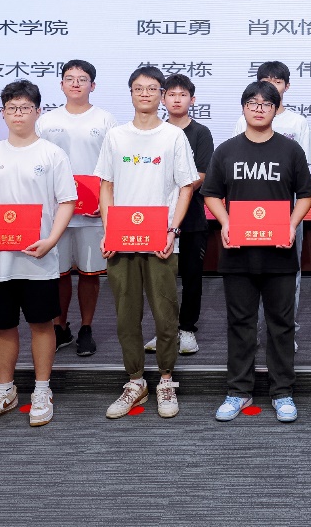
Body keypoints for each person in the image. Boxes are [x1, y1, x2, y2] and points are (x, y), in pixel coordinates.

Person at [0, 80, 77, 428]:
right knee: (2, 326)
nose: (18, 114)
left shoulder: (52, 154)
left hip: (37, 257)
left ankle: (42, 389)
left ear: (38, 112)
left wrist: (51, 240)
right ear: (3, 113)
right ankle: (5, 391)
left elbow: (67, 201)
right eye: (12, 108)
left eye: (25, 108)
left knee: (42, 324)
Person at [205, 81, 311, 423]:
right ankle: (238, 390)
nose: (259, 108)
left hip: (279, 252)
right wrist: (225, 222)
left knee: (281, 324)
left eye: (267, 103)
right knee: (241, 323)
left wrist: (291, 225)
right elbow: (211, 193)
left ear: (276, 109)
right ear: (243, 108)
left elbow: (306, 194)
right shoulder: (226, 150)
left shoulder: (290, 150)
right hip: (238, 252)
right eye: (252, 102)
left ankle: (282, 392)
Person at [95, 65, 198, 419]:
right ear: (131, 93)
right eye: (138, 88)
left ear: (161, 95)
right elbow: (106, 186)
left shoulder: (173, 137)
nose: (145, 94)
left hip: (160, 241)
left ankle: (166, 379)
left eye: (152, 88)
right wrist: (109, 231)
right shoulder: (116, 136)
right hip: (121, 240)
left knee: (166, 314)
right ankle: (135, 381)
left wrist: (173, 230)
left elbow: (186, 186)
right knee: (126, 316)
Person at [35, 59, 118, 357]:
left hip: (92, 212)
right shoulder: (45, 121)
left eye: (82, 79)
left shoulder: (106, 120)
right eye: (69, 78)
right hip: (55, 211)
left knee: (89, 272)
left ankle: (86, 327)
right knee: (57, 273)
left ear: (92, 85)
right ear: (61, 85)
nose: (75, 83)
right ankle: (61, 327)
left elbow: (114, 166)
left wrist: (106, 205)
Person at [232, 60, 311, 346]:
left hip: (286, 209)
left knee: (289, 270)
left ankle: (287, 328)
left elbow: (303, 171)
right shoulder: (243, 120)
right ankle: (251, 329)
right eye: (266, 80)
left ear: (286, 86)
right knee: (248, 271)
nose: (272, 86)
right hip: (247, 209)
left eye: (277, 81)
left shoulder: (298, 122)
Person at [163, 73, 215, 356]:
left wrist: (175, 191)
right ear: (163, 99)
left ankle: (186, 329)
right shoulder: (156, 131)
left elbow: (203, 175)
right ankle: (165, 329)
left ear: (192, 100)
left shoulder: (201, 133)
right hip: (159, 217)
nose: (177, 99)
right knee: (162, 277)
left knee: (192, 277)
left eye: (182, 95)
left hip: (192, 216)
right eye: (171, 94)